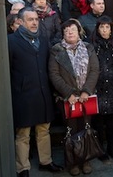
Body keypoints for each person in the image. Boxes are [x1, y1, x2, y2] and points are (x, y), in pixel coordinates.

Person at [8, 7, 63, 177]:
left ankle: (45, 161)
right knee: (23, 133)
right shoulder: (11, 41)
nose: (34, 23)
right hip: (22, 94)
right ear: (21, 22)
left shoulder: (44, 39)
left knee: (43, 129)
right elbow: (7, 70)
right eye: (30, 20)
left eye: (36, 19)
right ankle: (22, 168)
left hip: (42, 92)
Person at [48, 19, 100, 176]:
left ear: (79, 32)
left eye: (73, 29)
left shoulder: (89, 48)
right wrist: (69, 93)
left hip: (86, 97)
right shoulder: (56, 50)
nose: (70, 32)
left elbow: (94, 70)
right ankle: (72, 162)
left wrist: (86, 91)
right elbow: (54, 74)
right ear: (63, 33)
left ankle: (85, 159)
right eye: (66, 30)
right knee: (71, 129)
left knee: (86, 127)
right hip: (67, 98)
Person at [91, 15, 113, 161]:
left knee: (112, 121)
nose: (105, 30)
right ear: (97, 28)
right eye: (102, 27)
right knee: (98, 121)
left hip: (112, 88)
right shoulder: (92, 46)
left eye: (107, 27)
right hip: (96, 88)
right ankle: (100, 150)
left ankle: (111, 147)